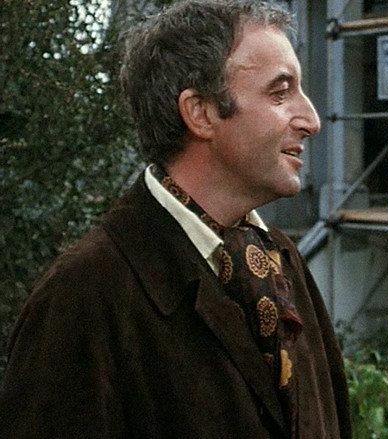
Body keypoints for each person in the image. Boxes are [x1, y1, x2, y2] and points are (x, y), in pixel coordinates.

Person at [0, 1, 351, 438]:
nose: (312, 120)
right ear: (200, 113)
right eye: (279, 93)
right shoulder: (84, 295)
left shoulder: (283, 260)